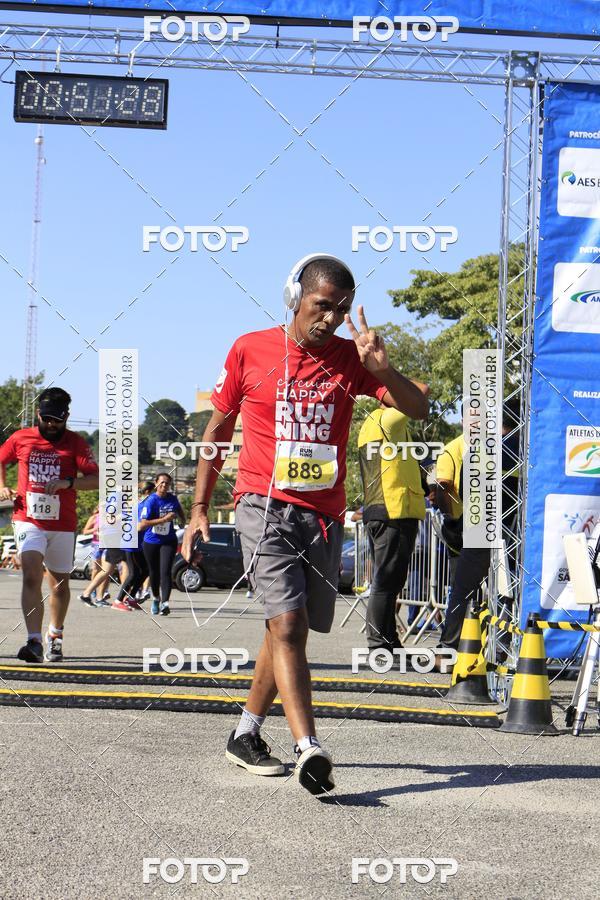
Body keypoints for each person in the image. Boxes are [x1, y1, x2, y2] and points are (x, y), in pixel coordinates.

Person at [182, 253, 429, 795]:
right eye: (323, 306)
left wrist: (382, 369)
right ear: (295, 297)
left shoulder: (350, 359)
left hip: (322, 516)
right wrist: (199, 509)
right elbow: (217, 431)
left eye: (341, 310)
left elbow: (419, 408)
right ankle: (308, 748)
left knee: (284, 627)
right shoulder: (250, 349)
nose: (332, 319)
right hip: (262, 505)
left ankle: (245, 733)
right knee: (289, 625)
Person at [0, 387, 99, 662]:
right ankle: (33, 641)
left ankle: (55, 634)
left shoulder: (76, 443)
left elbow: (96, 479)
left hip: (62, 524)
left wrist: (69, 482)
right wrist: (3, 486)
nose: (51, 424)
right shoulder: (21, 438)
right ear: (38, 414)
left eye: (57, 419)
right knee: (31, 574)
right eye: (46, 419)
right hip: (28, 519)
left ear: (66, 416)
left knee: (59, 586)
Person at [436, 401, 520, 654]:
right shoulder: (529, 450)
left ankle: (449, 646)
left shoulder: (482, 449)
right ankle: (503, 648)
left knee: (462, 589)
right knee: (510, 589)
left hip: (479, 527)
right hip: (515, 531)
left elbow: (462, 489)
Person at [357, 405, 426, 655]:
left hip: (386, 510)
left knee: (391, 582)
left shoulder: (378, 423)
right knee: (386, 582)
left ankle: (388, 639)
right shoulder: (387, 420)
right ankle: (378, 643)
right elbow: (418, 396)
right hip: (393, 511)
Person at [140, 473, 185, 616]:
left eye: (167, 483)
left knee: (165, 571)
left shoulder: (172, 498)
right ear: (156, 483)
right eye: (162, 482)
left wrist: (182, 520)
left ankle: (165, 603)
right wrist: (164, 519)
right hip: (151, 541)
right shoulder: (151, 500)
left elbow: (179, 510)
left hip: (168, 540)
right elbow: (143, 524)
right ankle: (156, 598)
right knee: (154, 572)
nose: (164, 485)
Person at [112, 481, 154, 611]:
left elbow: (118, 518)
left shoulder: (138, 504)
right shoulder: (141, 505)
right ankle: (118, 601)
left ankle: (130, 598)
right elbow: (139, 525)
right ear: (147, 492)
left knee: (145, 570)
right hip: (131, 544)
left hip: (138, 544)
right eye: (153, 492)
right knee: (133, 573)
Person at [81, 505, 110, 604]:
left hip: (107, 544)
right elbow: (85, 531)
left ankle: (103, 592)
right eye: (102, 506)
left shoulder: (111, 517)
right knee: (96, 569)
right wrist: (95, 530)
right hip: (96, 545)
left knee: (106, 569)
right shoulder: (94, 518)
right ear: (98, 508)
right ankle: (93, 590)